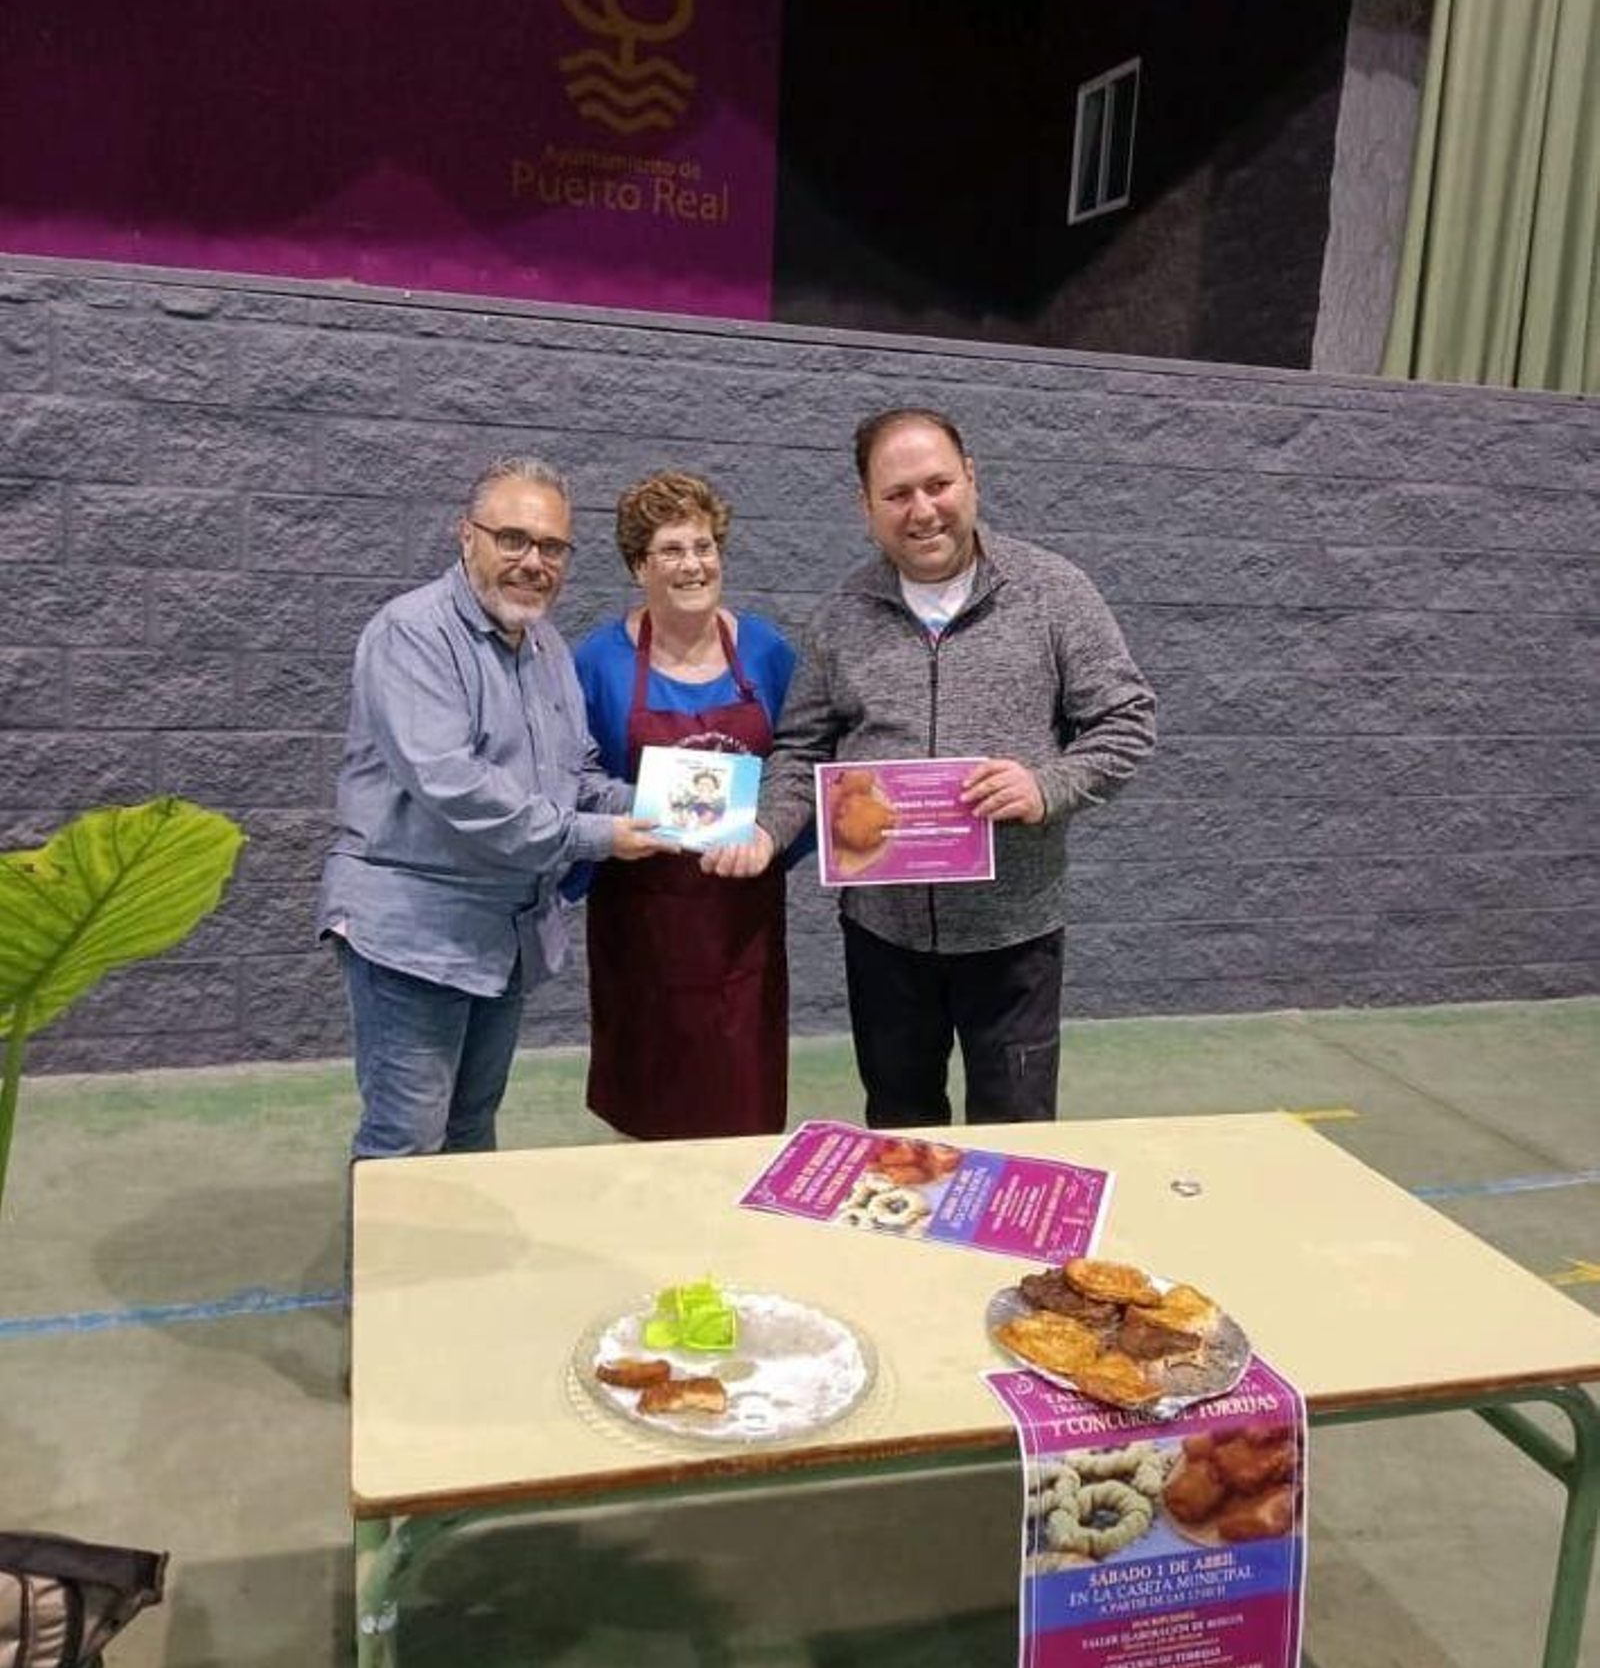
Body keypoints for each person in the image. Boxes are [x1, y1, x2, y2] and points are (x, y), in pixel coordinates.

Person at [704, 408, 1156, 1128]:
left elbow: (1127, 721)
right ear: (866, 506)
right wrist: (765, 830)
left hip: (1014, 938)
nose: (922, 510)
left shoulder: (1053, 592)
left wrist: (1046, 786)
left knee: (1016, 1136)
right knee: (900, 1132)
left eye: (937, 484)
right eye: (897, 494)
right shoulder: (842, 614)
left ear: (971, 478)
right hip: (883, 940)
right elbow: (801, 750)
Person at [318, 455, 662, 1165]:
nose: (534, 562)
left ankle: (453, 1247)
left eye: (552, 547)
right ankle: (385, 1248)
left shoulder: (546, 646)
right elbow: (455, 787)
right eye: (513, 539)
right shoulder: (411, 633)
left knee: (472, 1130)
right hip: (412, 936)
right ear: (466, 535)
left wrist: (679, 804)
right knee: (405, 1142)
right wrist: (596, 837)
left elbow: (576, 775)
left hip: (501, 939)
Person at [573, 471, 799, 1140]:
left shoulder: (767, 652)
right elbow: (574, 775)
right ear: (638, 566)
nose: (693, 564)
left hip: (741, 919)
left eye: (704, 546)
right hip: (641, 921)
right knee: (648, 1105)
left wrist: (769, 830)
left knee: (743, 1104)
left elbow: (800, 757)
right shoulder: (598, 662)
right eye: (671, 550)